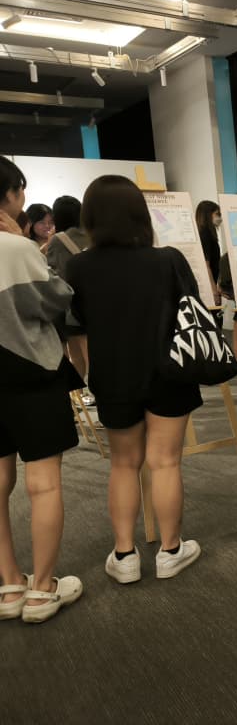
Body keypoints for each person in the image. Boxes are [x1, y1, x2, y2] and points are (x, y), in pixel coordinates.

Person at [66, 175, 202, 584]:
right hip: (169, 372)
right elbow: (194, 308)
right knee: (165, 461)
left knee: (124, 465)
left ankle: (124, 555)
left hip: (113, 376)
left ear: (91, 218)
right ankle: (170, 551)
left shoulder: (79, 267)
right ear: (140, 215)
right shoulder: (169, 260)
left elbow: (77, 327)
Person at [0, 157, 83, 623]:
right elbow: (57, 298)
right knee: (43, 481)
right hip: (31, 370)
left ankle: (10, 584)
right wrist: (23, 244)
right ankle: (42, 589)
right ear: (10, 194)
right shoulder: (16, 248)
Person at [46, 196, 91, 388]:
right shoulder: (91, 234)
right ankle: (94, 393)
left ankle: (79, 395)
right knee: (90, 353)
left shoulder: (57, 240)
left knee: (77, 355)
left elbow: (54, 271)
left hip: (71, 305)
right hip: (92, 302)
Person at [194, 200, 222, 303]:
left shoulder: (207, 233)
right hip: (209, 288)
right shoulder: (205, 234)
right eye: (217, 214)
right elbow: (206, 265)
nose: (220, 218)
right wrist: (213, 291)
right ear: (208, 214)